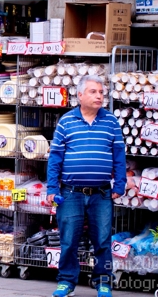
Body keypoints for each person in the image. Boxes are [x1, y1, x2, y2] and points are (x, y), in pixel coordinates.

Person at [47, 75, 126, 297]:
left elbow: (119, 155)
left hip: (101, 193)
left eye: (101, 92)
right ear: (80, 95)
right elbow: (55, 158)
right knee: (69, 239)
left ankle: (103, 283)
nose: (99, 96)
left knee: (102, 240)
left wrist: (120, 183)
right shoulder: (66, 121)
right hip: (70, 192)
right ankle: (66, 282)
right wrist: (52, 189)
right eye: (93, 92)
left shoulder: (111, 121)